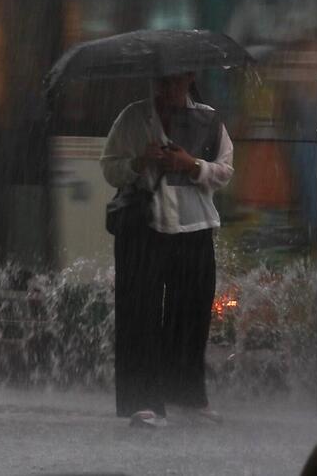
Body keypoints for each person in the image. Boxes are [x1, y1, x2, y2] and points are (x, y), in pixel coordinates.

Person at [100, 72, 234, 428]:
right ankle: (141, 402)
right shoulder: (133, 118)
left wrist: (191, 165)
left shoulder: (208, 119)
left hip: (194, 227)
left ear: (189, 79)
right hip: (142, 228)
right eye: (159, 82)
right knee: (139, 314)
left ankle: (186, 395)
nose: (165, 90)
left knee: (190, 315)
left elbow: (225, 170)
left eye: (173, 83)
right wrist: (138, 164)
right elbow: (109, 167)